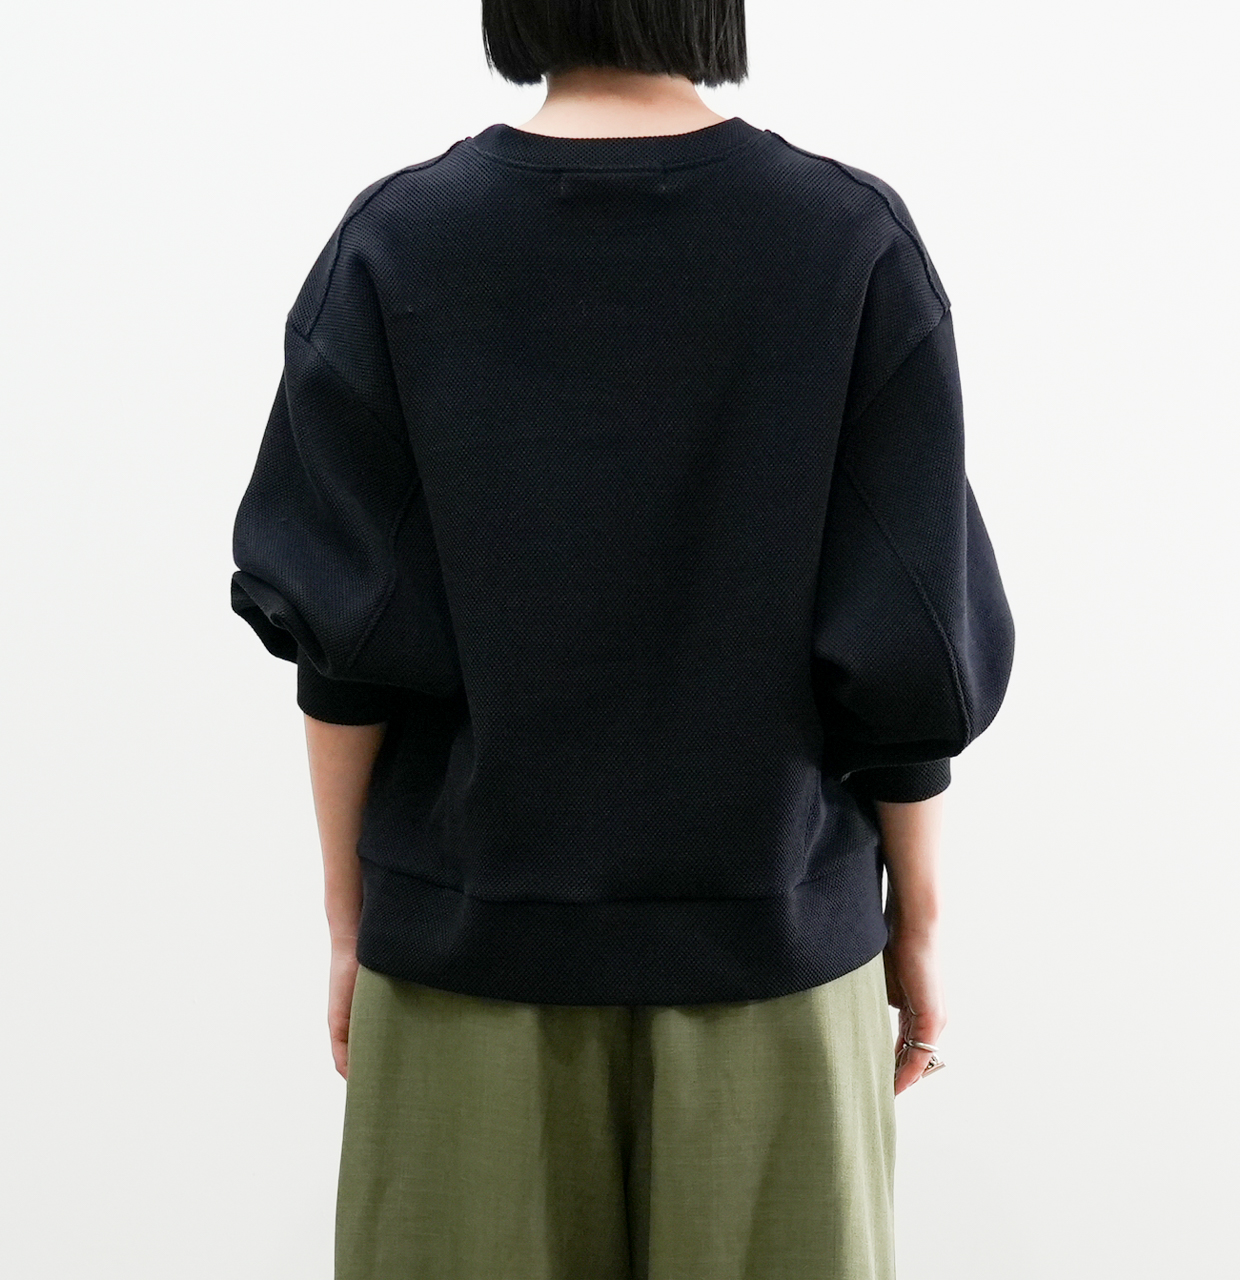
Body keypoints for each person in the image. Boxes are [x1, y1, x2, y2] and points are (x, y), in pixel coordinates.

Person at [229, 2, 1015, 1276]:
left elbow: (342, 642)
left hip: (468, 964)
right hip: (773, 957)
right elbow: (904, 643)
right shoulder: (843, 242)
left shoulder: (398, 243)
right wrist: (913, 920)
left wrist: (349, 915)